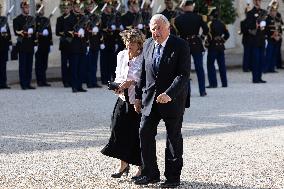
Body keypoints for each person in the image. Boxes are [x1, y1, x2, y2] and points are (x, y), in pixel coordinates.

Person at [134, 14, 190, 188]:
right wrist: (137, 96)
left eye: (159, 28)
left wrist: (169, 93)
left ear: (168, 28)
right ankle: (150, 173)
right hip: (150, 100)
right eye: (152, 29)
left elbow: (183, 75)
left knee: (173, 138)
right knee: (144, 133)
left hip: (172, 100)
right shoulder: (148, 44)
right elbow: (143, 73)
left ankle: (173, 178)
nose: (155, 32)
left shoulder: (180, 45)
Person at [101, 29, 145, 179]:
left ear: (139, 44)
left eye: (132, 42)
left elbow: (145, 79)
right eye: (127, 41)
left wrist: (131, 82)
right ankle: (124, 164)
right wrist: (117, 86)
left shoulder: (144, 57)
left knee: (137, 134)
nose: (129, 45)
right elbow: (119, 75)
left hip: (138, 100)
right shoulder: (121, 55)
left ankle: (141, 167)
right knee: (117, 129)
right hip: (123, 98)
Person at [174, 0, 208, 96]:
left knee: (185, 70)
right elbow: (206, 30)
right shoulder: (198, 17)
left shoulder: (178, 19)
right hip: (196, 43)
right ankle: (202, 91)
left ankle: (186, 92)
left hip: (184, 44)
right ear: (191, 7)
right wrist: (200, 38)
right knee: (199, 68)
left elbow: (177, 33)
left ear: (184, 7)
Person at [13, 0, 37, 90]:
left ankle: (28, 83)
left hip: (30, 45)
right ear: (22, 8)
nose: (27, 9)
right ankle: (23, 84)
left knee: (29, 65)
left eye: (27, 7)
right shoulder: (17, 19)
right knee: (22, 65)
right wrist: (26, 32)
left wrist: (35, 44)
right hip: (22, 45)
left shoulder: (32, 19)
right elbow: (16, 32)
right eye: (25, 8)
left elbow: (35, 33)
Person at [206, 9, 230, 88]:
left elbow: (208, 35)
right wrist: (222, 40)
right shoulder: (222, 23)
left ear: (212, 16)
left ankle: (213, 83)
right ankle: (224, 83)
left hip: (213, 46)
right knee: (222, 65)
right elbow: (227, 34)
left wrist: (207, 43)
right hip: (221, 46)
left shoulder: (210, 23)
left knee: (210, 65)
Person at [245, 0, 266, 83]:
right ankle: (255, 78)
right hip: (254, 40)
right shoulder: (250, 13)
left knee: (261, 60)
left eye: (259, 0)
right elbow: (248, 25)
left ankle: (260, 77)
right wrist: (255, 25)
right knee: (255, 60)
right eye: (256, 0)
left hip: (262, 39)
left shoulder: (263, 12)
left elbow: (266, 24)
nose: (258, 2)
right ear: (254, 2)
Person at [35, 3, 53, 87]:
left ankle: (44, 80)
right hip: (39, 44)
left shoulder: (46, 19)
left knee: (44, 64)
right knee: (39, 64)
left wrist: (51, 44)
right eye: (40, 9)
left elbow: (50, 33)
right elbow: (34, 33)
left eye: (43, 9)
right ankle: (39, 81)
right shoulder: (34, 20)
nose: (42, 11)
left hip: (46, 45)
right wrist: (41, 33)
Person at [56, 0, 72, 88]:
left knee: (71, 64)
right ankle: (65, 81)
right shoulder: (60, 19)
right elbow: (57, 32)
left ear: (70, 8)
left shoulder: (73, 18)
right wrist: (66, 33)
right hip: (64, 44)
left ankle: (70, 80)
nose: (66, 9)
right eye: (64, 8)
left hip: (72, 45)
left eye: (67, 8)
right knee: (64, 64)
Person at [0, 3, 12, 89]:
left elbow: (9, 33)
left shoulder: (4, 19)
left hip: (4, 46)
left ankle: (3, 83)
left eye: (0, 8)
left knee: (3, 66)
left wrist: (10, 43)